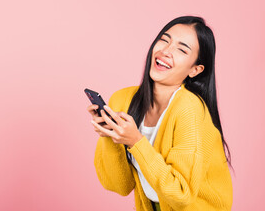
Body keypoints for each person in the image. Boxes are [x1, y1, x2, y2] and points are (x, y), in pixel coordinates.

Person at [87, 16, 233, 211]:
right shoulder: (123, 100)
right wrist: (110, 135)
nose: (166, 51)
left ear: (195, 70)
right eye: (164, 40)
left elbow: (180, 195)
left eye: (182, 49)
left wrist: (136, 142)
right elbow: (118, 186)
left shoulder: (190, 109)